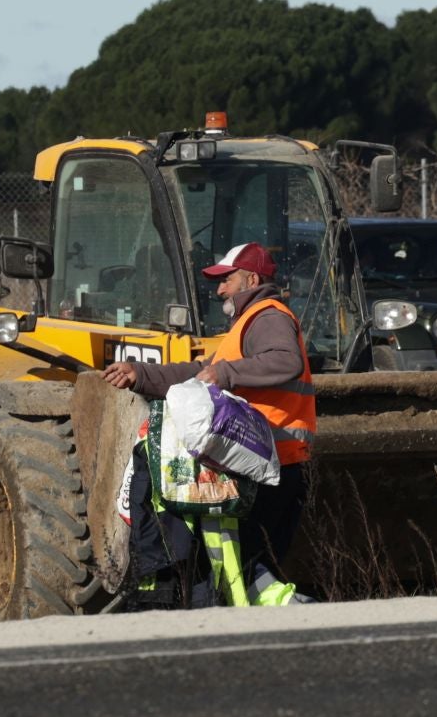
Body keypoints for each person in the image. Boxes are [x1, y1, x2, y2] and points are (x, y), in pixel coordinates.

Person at [102, 241, 315, 599]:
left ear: (251, 278)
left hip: (272, 466)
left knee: (246, 565)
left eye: (226, 280)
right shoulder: (248, 323)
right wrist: (140, 374)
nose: (219, 290)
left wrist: (226, 374)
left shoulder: (268, 316)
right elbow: (200, 371)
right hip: (262, 464)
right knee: (243, 565)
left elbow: (284, 361)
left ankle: (292, 616)